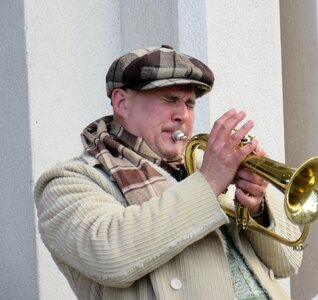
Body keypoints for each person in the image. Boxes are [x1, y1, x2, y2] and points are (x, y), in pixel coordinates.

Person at [34, 45, 303, 300]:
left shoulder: (201, 163)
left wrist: (257, 209)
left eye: (189, 103)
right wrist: (208, 183)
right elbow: (111, 255)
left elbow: (288, 264)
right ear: (122, 103)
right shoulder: (68, 182)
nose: (182, 115)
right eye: (169, 99)